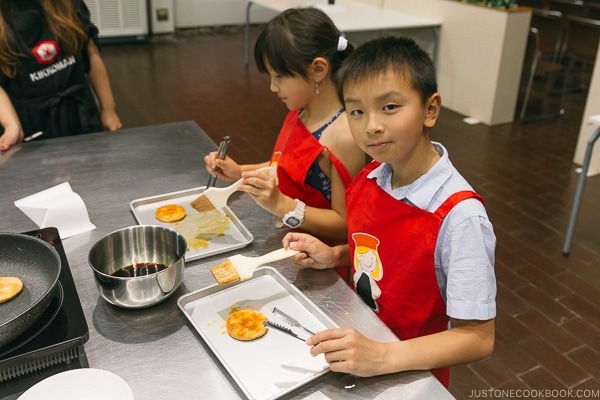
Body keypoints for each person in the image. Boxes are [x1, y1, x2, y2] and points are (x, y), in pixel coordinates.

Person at [282, 36, 496, 387]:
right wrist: (336, 255)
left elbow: (478, 337)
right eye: (357, 111)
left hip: (407, 371)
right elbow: (387, 255)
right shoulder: (372, 176)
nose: (371, 126)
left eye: (390, 107)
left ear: (430, 109)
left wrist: (382, 357)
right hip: (359, 337)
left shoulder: (460, 217)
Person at [204, 7, 366, 244]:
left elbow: (344, 225)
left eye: (279, 76)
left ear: (318, 69)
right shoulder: (301, 110)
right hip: (288, 239)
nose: (272, 87)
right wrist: (242, 171)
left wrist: (282, 204)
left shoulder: (344, 136)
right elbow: (287, 165)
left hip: (319, 257)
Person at [0, 0, 122, 151]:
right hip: (33, 127)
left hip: (81, 115)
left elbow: (91, 55)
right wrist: (11, 125)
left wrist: (109, 109)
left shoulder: (68, 4)